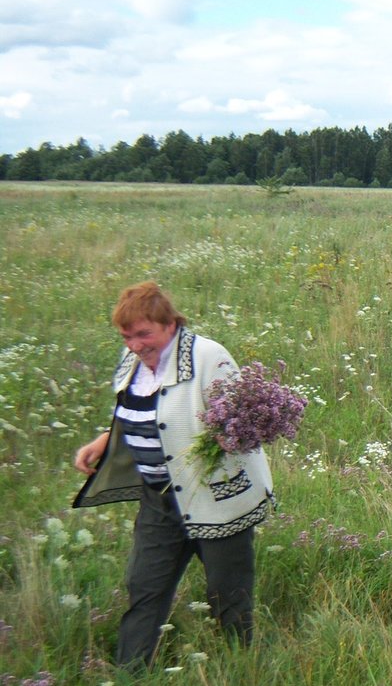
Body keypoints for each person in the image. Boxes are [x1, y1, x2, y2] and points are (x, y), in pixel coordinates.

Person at [72, 281, 274, 669]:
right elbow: (140, 409)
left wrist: (225, 437)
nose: (135, 344)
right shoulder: (131, 359)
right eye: (126, 336)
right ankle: (130, 674)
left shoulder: (209, 358)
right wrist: (106, 438)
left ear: (170, 325)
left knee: (227, 594)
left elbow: (242, 424)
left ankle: (242, 669)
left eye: (143, 334)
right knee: (145, 586)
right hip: (159, 499)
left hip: (216, 499)